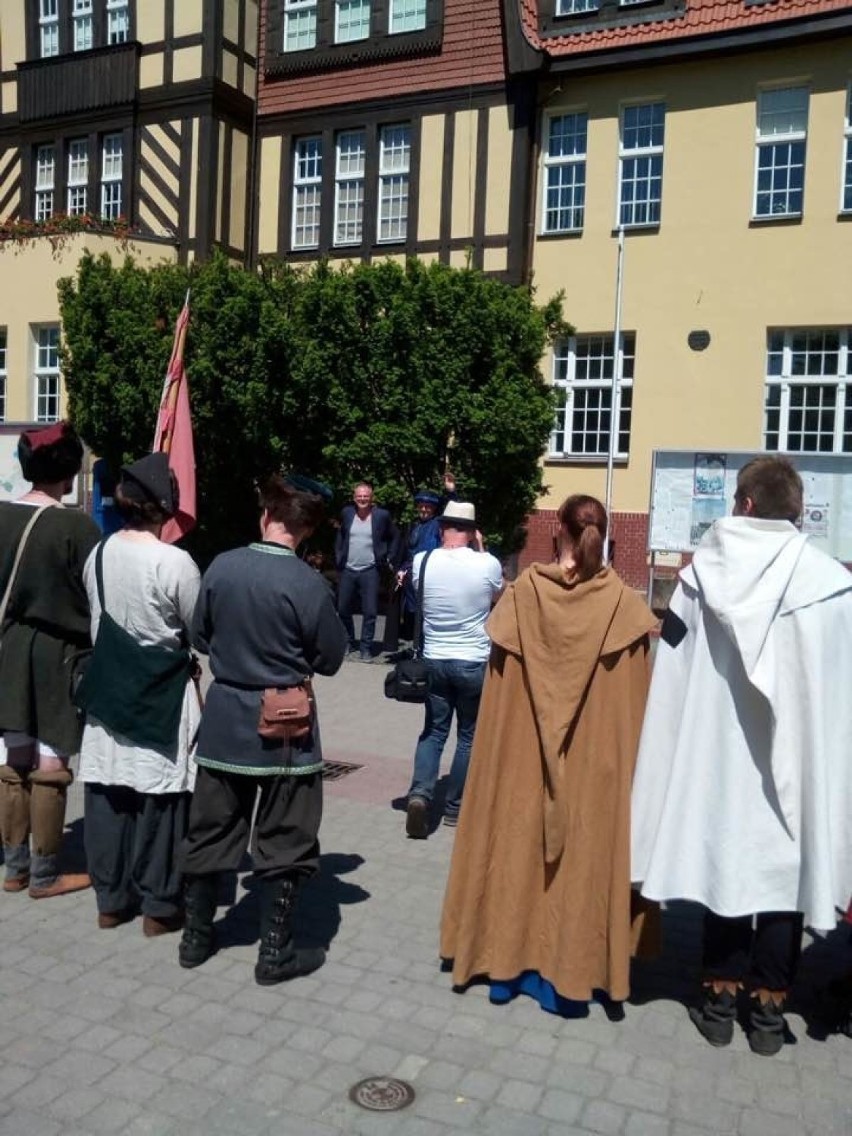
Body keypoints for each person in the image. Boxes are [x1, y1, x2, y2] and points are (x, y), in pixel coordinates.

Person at [631, 456, 852, 1056]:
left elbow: (671, 675)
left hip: (718, 765)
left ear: (745, 505)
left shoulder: (700, 580)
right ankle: (768, 1018)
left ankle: (719, 1005)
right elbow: (839, 693)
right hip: (793, 771)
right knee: (780, 884)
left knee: (724, 871)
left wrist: (667, 760)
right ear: (796, 511)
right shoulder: (830, 583)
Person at [440, 495, 658, 1010]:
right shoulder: (624, 610)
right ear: (604, 537)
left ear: (557, 532)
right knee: (583, 854)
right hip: (591, 771)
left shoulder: (520, 599)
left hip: (520, 765)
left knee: (515, 846)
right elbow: (632, 713)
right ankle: (574, 969)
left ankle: (504, 964)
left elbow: (497, 709)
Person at [178, 474, 347, 984]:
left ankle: (196, 939)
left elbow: (200, 635)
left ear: (266, 515)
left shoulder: (222, 566)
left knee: (210, 830)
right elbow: (332, 658)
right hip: (286, 728)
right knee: (286, 836)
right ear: (307, 529)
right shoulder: (307, 583)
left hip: (226, 718)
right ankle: (274, 954)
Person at [76, 454, 201, 935]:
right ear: (163, 505)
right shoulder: (176, 562)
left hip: (109, 688)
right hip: (161, 691)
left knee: (108, 795)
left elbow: (96, 618)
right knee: (161, 803)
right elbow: (197, 629)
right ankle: (159, 907)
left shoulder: (100, 553)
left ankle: (110, 902)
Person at [0, 422, 99, 898]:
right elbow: (96, 597)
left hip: (9, 649)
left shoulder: (0, 516)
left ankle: (14, 868)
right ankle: (44, 873)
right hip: (59, 654)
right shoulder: (77, 526)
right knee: (50, 762)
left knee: (14, 760)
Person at [405, 501, 503, 837]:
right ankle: (453, 808)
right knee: (467, 737)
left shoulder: (423, 561)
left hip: (433, 659)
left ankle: (419, 795)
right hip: (473, 660)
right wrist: (481, 548)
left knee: (433, 732)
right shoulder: (487, 564)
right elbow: (498, 596)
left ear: (442, 527)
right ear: (473, 531)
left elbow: (418, 595)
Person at [334, 481, 399, 662]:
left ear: (371, 498)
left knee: (370, 611)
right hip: (348, 568)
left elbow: (395, 536)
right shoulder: (347, 514)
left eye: (366, 496)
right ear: (354, 498)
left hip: (370, 570)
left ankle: (365, 648)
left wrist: (390, 557)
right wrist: (338, 554)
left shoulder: (381, 516)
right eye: (359, 496)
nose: (362, 499)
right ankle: (348, 641)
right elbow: (341, 535)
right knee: (343, 608)